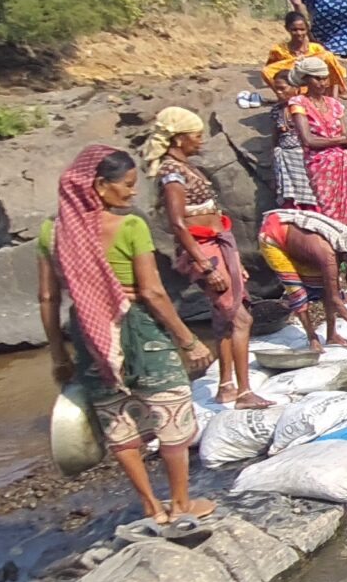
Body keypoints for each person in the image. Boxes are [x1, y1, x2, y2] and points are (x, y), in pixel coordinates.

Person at [38, 145, 215, 528]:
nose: (133, 193)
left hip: (88, 331)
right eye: (128, 184)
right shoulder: (130, 226)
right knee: (170, 412)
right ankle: (181, 504)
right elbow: (151, 292)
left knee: (118, 418)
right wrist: (188, 339)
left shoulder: (52, 233)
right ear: (100, 185)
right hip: (137, 325)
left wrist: (59, 356)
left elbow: (49, 297)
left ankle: (152, 506)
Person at [142, 107, 270, 410]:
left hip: (216, 246)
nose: (201, 141)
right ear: (179, 139)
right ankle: (244, 393)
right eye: (196, 136)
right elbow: (177, 222)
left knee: (224, 318)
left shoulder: (185, 167)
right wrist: (204, 263)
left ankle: (225, 386)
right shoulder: (172, 173)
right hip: (204, 249)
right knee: (241, 317)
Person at [258, 207, 347, 348]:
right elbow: (335, 300)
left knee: (325, 287)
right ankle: (312, 337)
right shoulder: (329, 256)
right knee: (297, 292)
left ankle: (332, 335)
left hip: (301, 246)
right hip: (273, 236)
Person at [274, 55, 347, 224]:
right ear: (305, 79)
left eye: (325, 78)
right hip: (321, 167)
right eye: (317, 78)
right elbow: (308, 140)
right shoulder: (298, 103)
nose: (323, 83)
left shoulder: (334, 104)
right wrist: (341, 140)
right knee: (330, 217)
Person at [261, 10, 347, 99]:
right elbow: (272, 72)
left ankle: (331, 97)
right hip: (294, 83)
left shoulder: (316, 49)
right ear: (287, 29)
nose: (299, 33)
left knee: (328, 56)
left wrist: (334, 100)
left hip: (316, 85)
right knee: (266, 71)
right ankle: (285, 98)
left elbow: (332, 72)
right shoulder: (279, 50)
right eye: (294, 30)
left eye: (302, 29)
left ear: (307, 29)